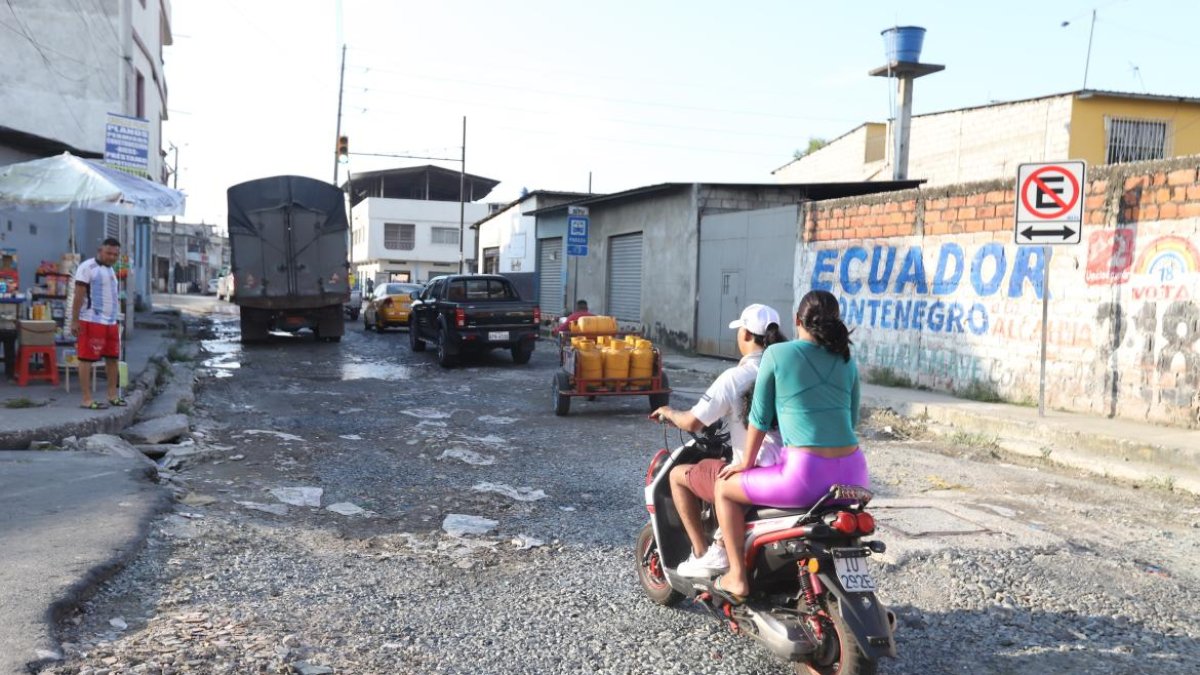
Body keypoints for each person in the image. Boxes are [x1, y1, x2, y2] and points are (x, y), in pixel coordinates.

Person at [713, 289, 867, 603]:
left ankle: (737, 577)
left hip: (804, 476)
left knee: (723, 489)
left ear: (797, 320)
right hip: (855, 474)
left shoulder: (777, 354)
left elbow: (759, 417)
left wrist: (746, 462)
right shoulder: (847, 360)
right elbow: (851, 420)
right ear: (835, 321)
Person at [651, 304, 788, 578]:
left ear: (746, 334)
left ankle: (705, 554)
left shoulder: (737, 377)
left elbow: (693, 422)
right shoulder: (786, 371)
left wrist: (669, 413)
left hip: (756, 469)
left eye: (740, 330)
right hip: (789, 466)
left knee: (677, 475)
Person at [70, 238, 123, 410]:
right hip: (91, 320)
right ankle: (86, 399)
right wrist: (74, 320)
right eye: (109, 253)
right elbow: (78, 295)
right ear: (100, 250)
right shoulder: (87, 267)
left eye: (115, 254)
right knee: (86, 359)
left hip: (111, 321)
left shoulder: (111, 270)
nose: (112, 257)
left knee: (113, 358)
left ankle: (112, 395)